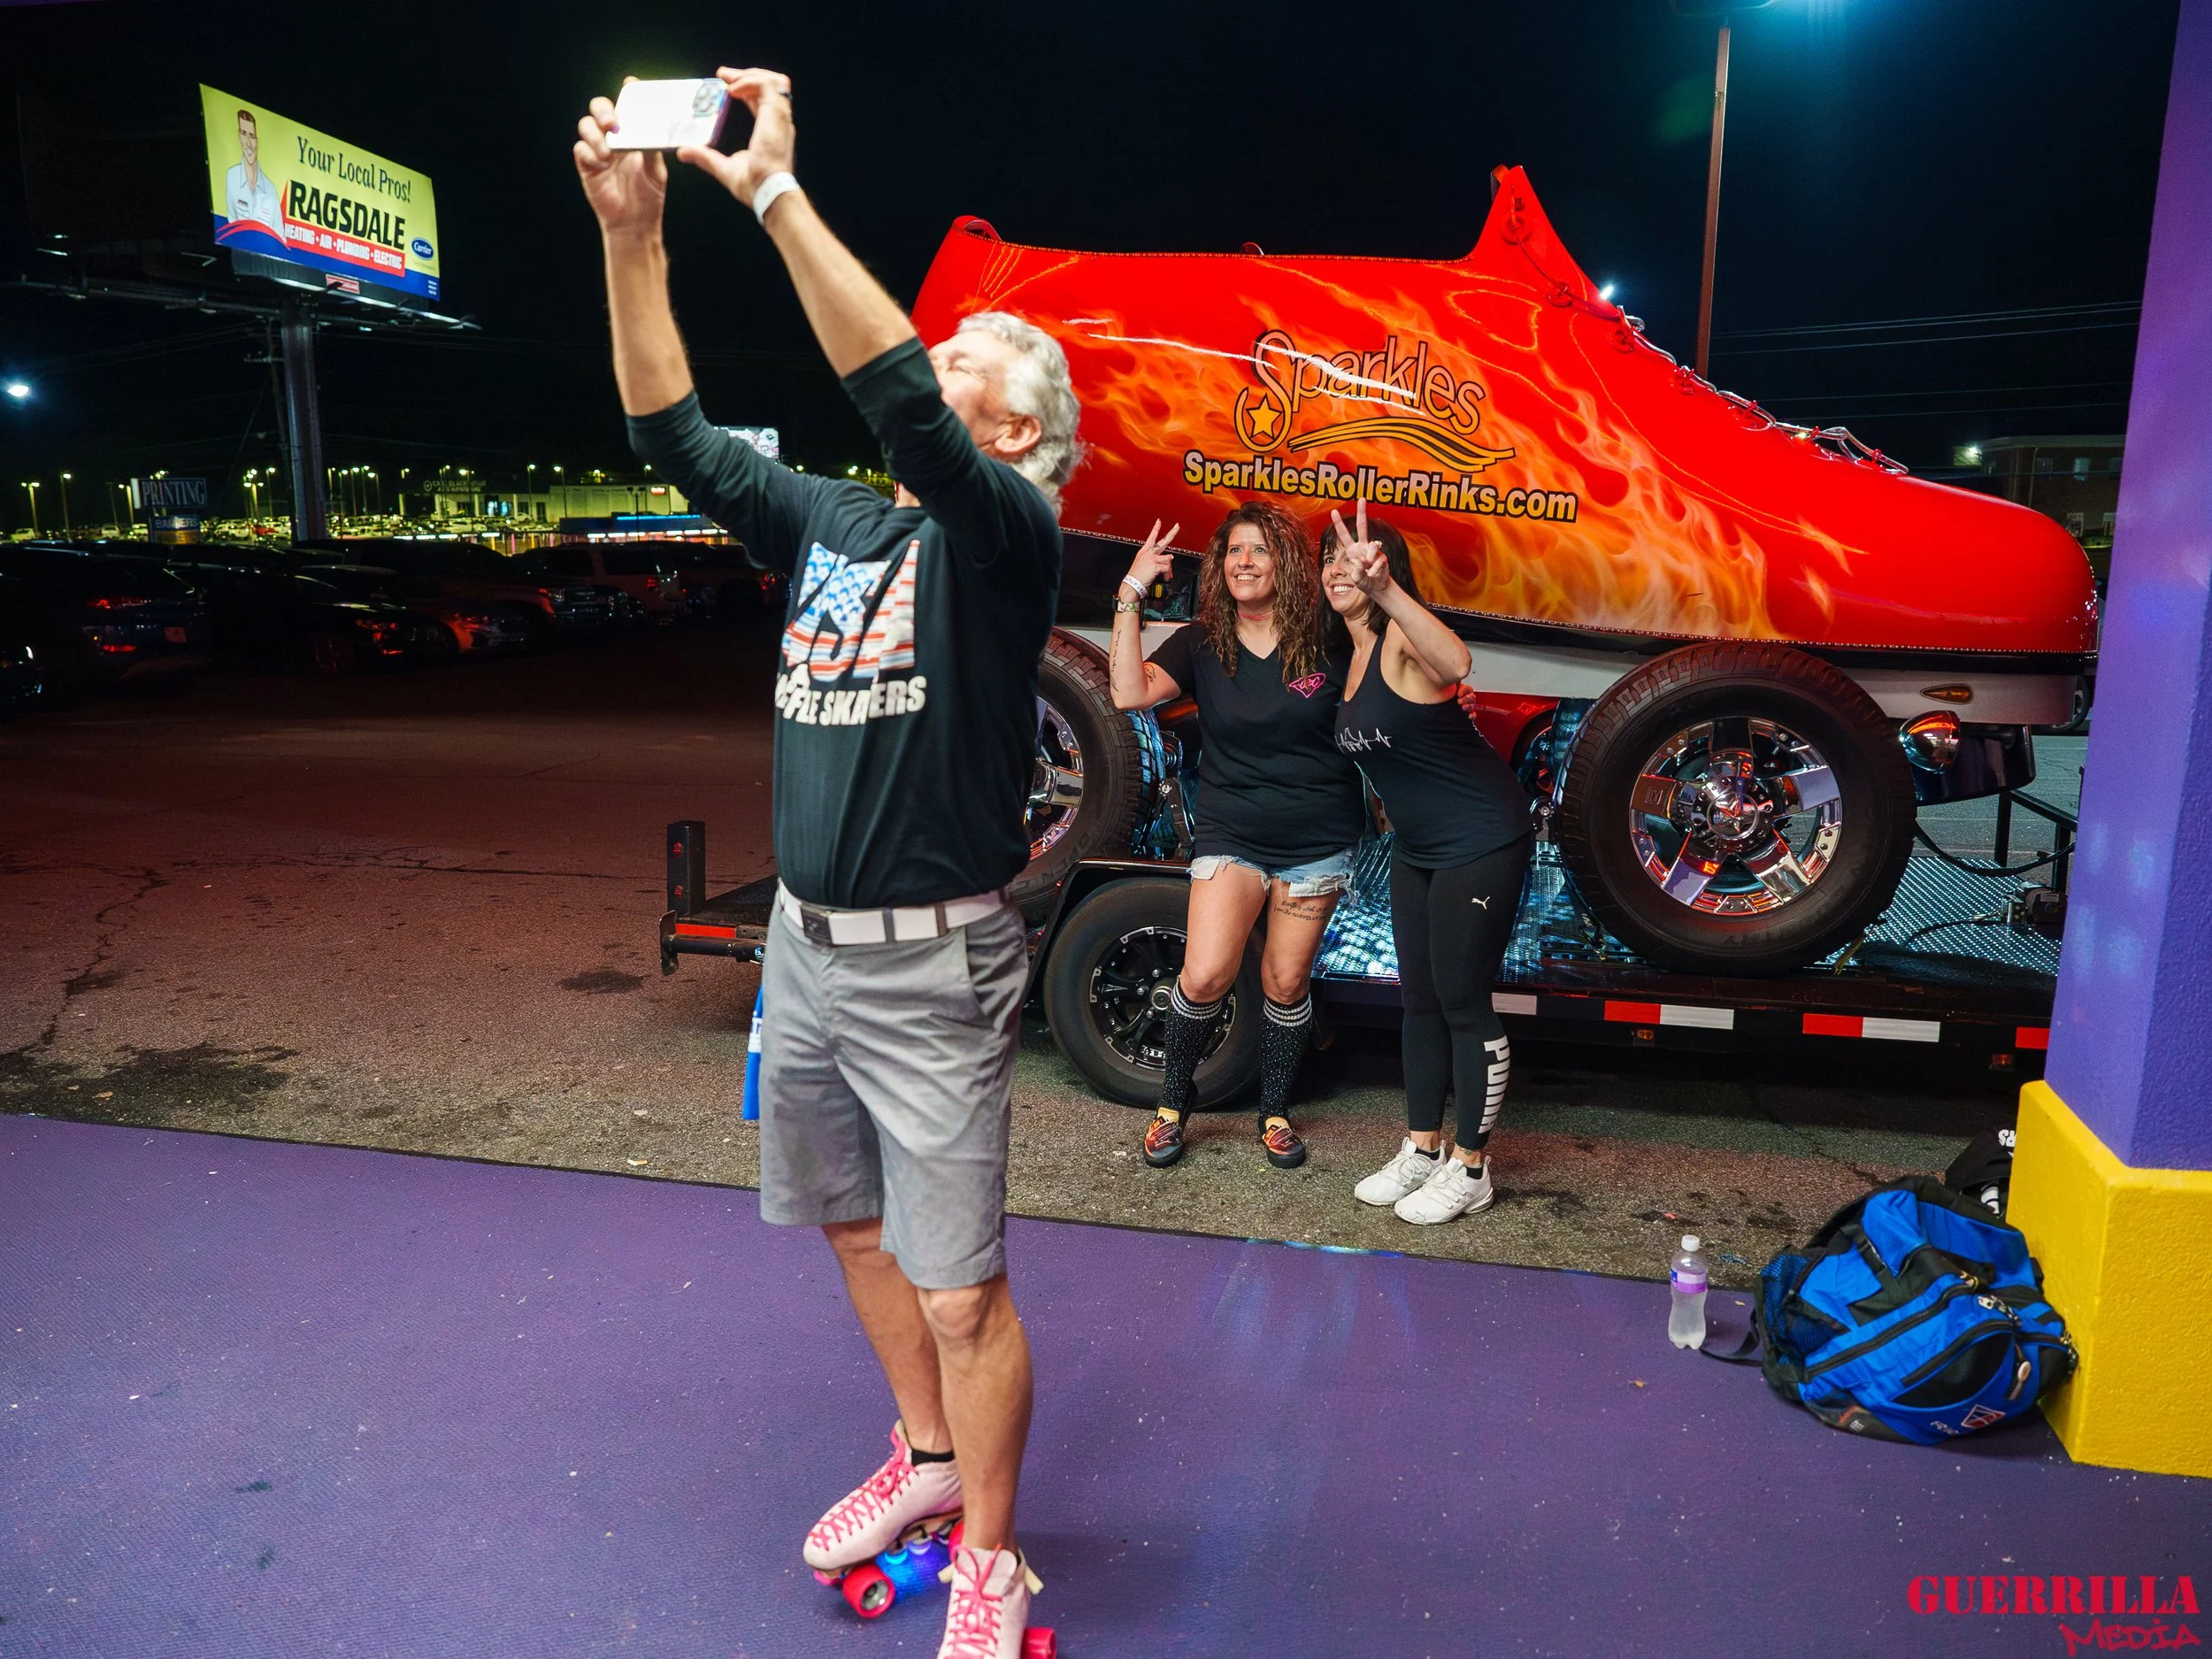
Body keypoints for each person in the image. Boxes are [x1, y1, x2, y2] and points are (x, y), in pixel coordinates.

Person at [575, 66, 1079, 1659]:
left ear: (1015, 433)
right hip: (805, 953)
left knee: (961, 1294)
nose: (931, 382)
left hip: (939, 968)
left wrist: (778, 194)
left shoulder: (1004, 544)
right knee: (855, 1234)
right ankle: (928, 1464)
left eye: (961, 376)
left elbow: (899, 408)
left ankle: (990, 1559)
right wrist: (631, 240)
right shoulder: (834, 532)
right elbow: (672, 430)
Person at [1109, 502, 1365, 1171]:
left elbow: (1381, 697)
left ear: (1284, 561)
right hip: (1233, 830)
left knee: (1284, 980)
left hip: (1317, 837)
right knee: (1205, 972)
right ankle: (1172, 1105)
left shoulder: (1327, 637)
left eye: (1258, 550)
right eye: (1233, 552)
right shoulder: (1201, 642)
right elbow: (1127, 691)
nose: (1244, 561)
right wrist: (1131, 592)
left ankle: (1274, 1111)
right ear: (1220, 569)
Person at [1322, 503, 1534, 1224]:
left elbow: (1458, 662)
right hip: (1416, 849)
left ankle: (1471, 1167)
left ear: (1384, 570)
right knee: (1417, 1001)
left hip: (1481, 839)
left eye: (1354, 559)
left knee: (1463, 1002)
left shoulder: (1402, 642)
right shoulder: (1347, 658)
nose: (1339, 569)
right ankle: (1422, 1147)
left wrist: (1387, 593)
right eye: (1330, 560)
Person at [224, 109, 282, 235]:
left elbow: (280, 240)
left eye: (252, 135)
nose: (249, 143)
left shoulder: (271, 190)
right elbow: (230, 225)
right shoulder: (232, 176)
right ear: (239, 136)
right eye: (244, 134)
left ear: (257, 140)